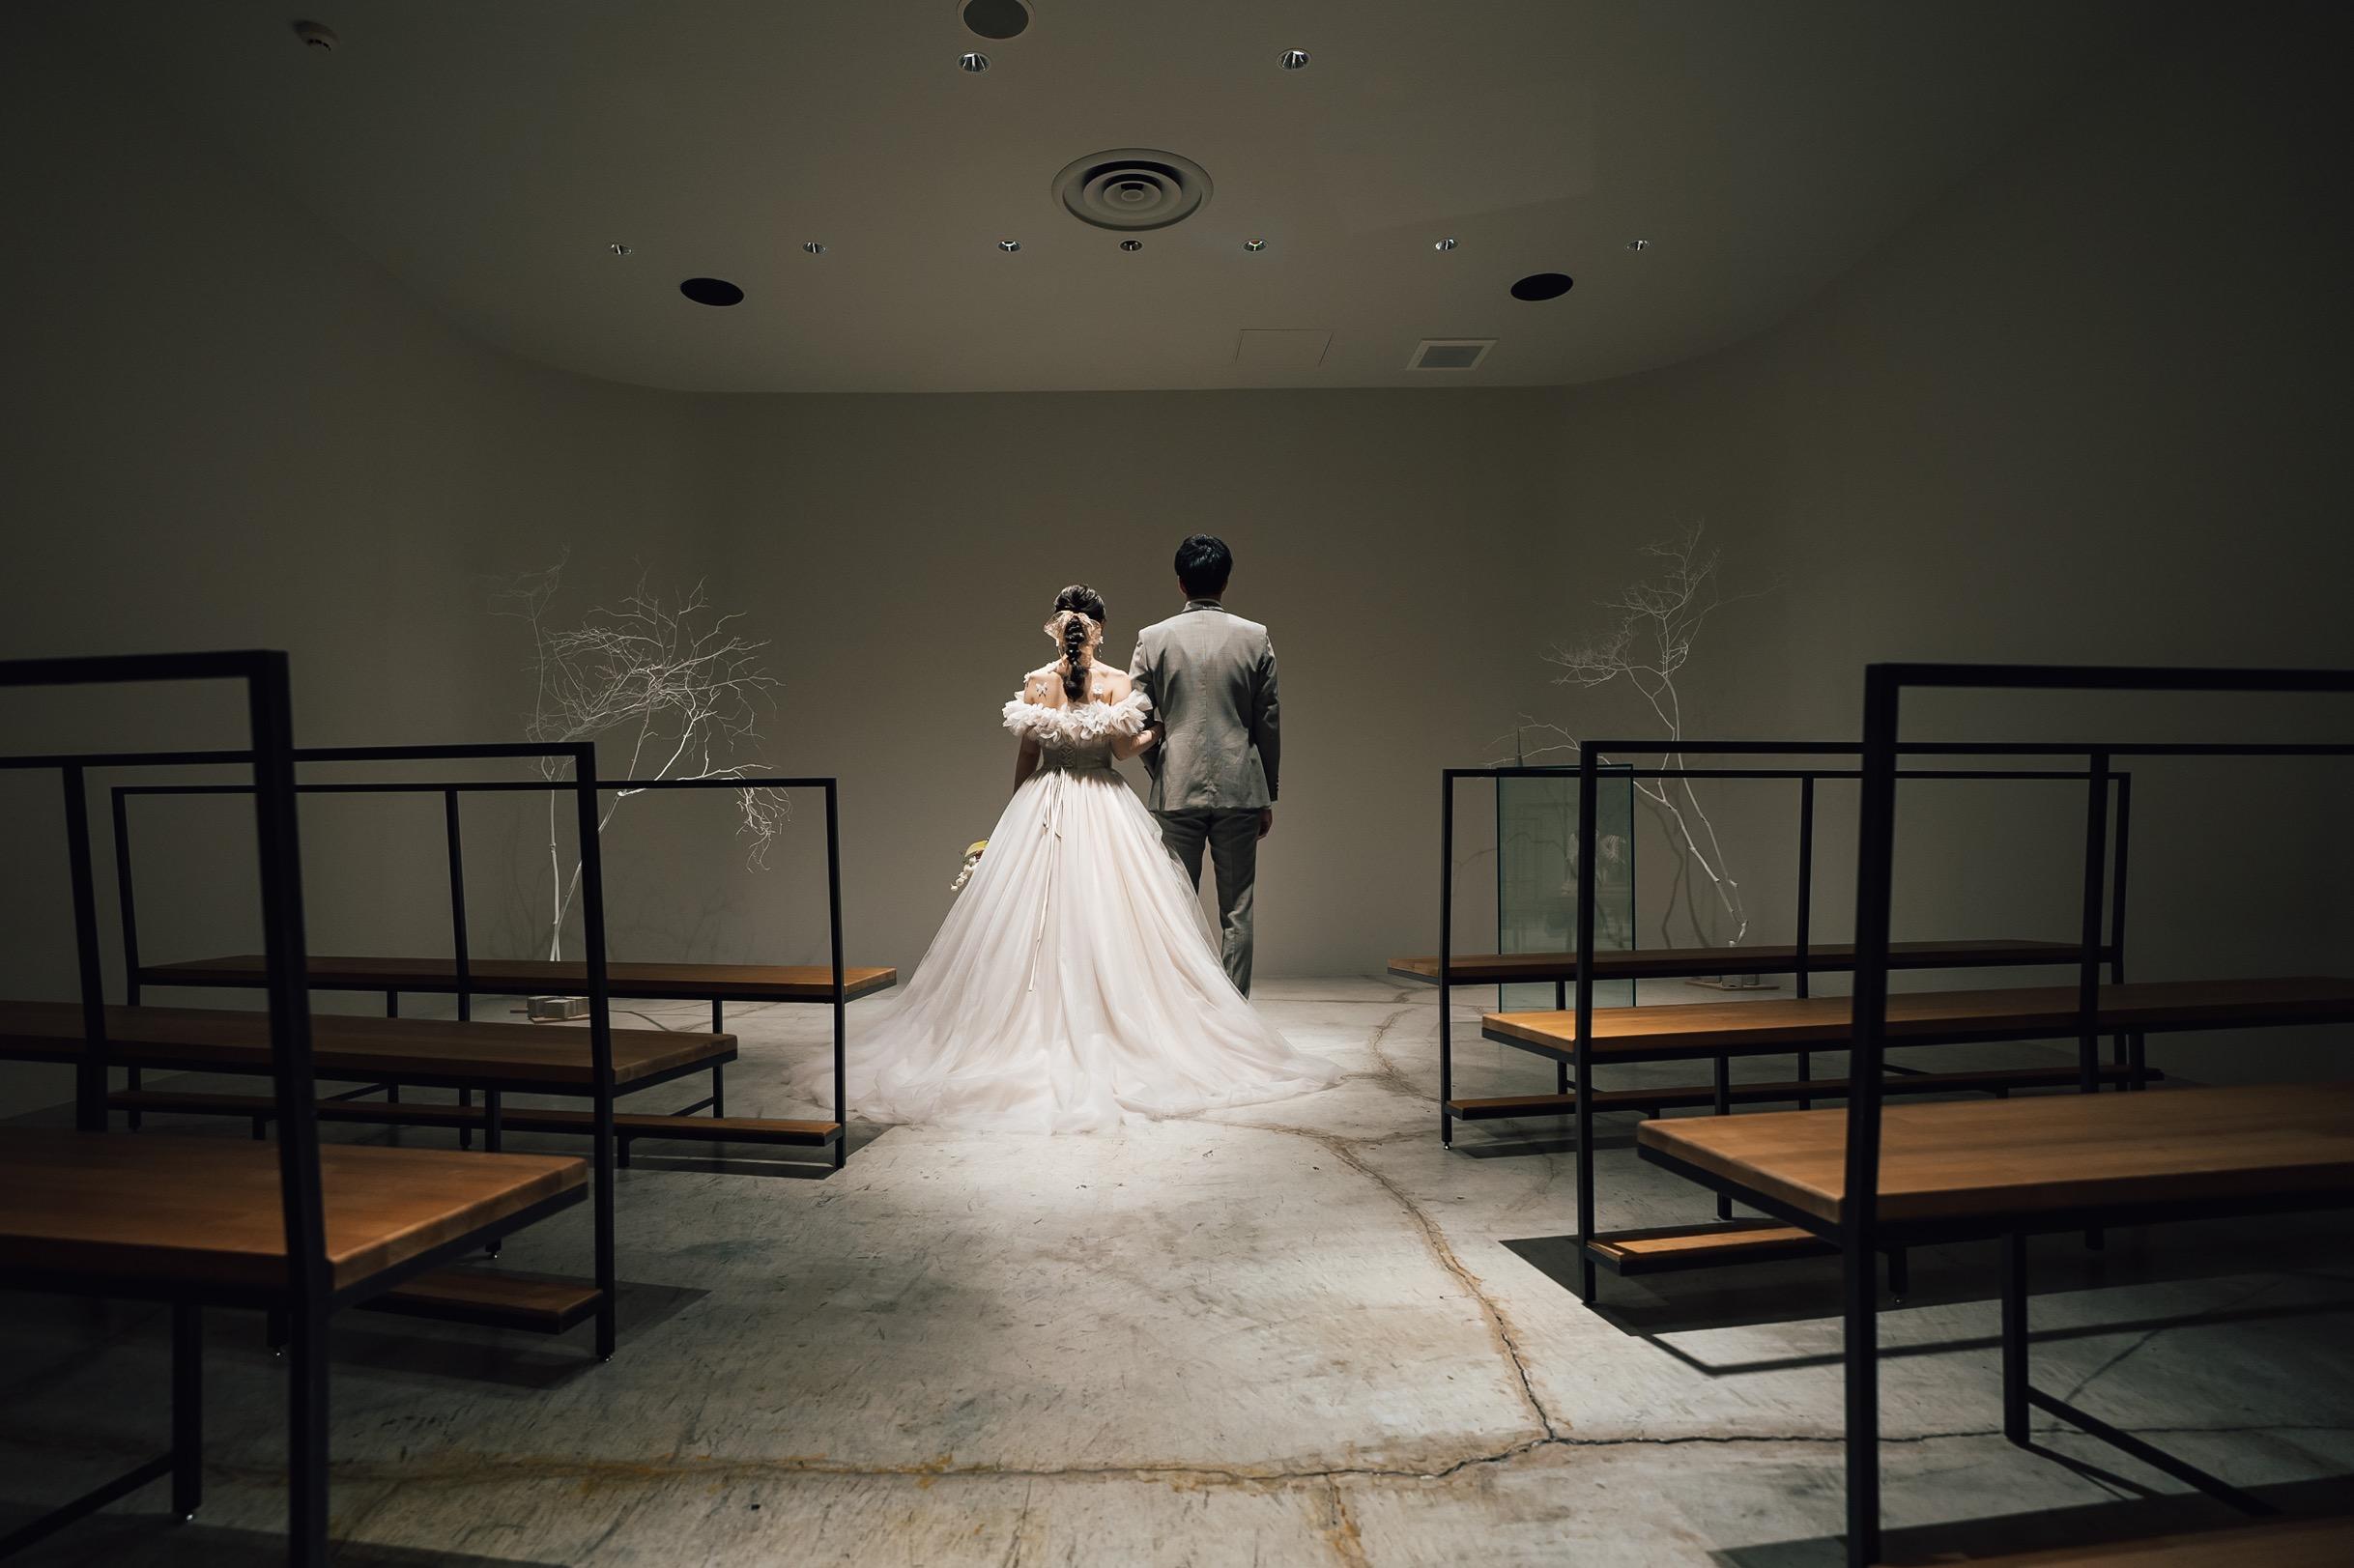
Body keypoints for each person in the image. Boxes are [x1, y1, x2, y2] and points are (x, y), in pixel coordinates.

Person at [848, 584, 1335, 1133]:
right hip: (1104, 801)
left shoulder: (1037, 683)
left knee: (1038, 917)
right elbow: (1124, 751)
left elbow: (1027, 756)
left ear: (1057, 628)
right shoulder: (1116, 683)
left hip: (1045, 803)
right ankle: (1163, 1016)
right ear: (1098, 630)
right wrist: (1159, 731)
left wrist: (1015, 819)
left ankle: (1029, 1021)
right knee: (1121, 912)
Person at [1126, 535, 1278, 995]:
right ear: (1226, 580)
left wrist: (1160, 766)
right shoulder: (1254, 636)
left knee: (1177, 909)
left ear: (1180, 582)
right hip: (1240, 788)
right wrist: (1267, 791)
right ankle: (1235, 1015)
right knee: (1237, 911)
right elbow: (1268, 720)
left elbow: (1135, 717)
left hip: (1176, 788)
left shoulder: (1153, 638)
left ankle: (1187, 1012)